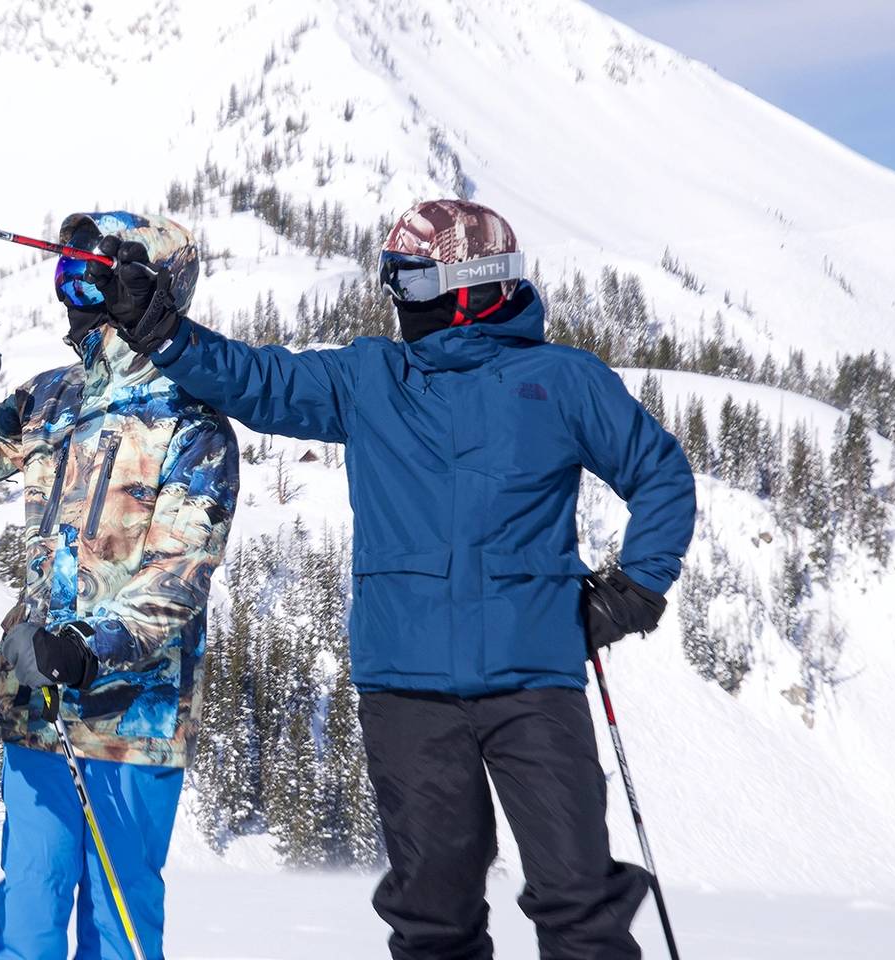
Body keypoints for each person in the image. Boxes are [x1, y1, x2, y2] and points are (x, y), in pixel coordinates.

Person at [89, 198, 696, 959]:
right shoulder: (374, 378)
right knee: (432, 912)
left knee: (578, 900)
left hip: (534, 683)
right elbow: (259, 381)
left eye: (408, 285)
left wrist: (635, 589)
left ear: (467, 288)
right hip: (408, 693)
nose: (396, 304)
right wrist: (165, 334)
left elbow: (662, 473)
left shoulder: (562, 382)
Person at [0, 213, 240, 960]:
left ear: (151, 291)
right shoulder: (52, 398)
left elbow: (181, 572)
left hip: (136, 719)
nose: (75, 295)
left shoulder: (192, 421)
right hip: (40, 704)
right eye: (67, 276)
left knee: (117, 925)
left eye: (94, 278)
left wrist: (92, 644)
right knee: (26, 913)